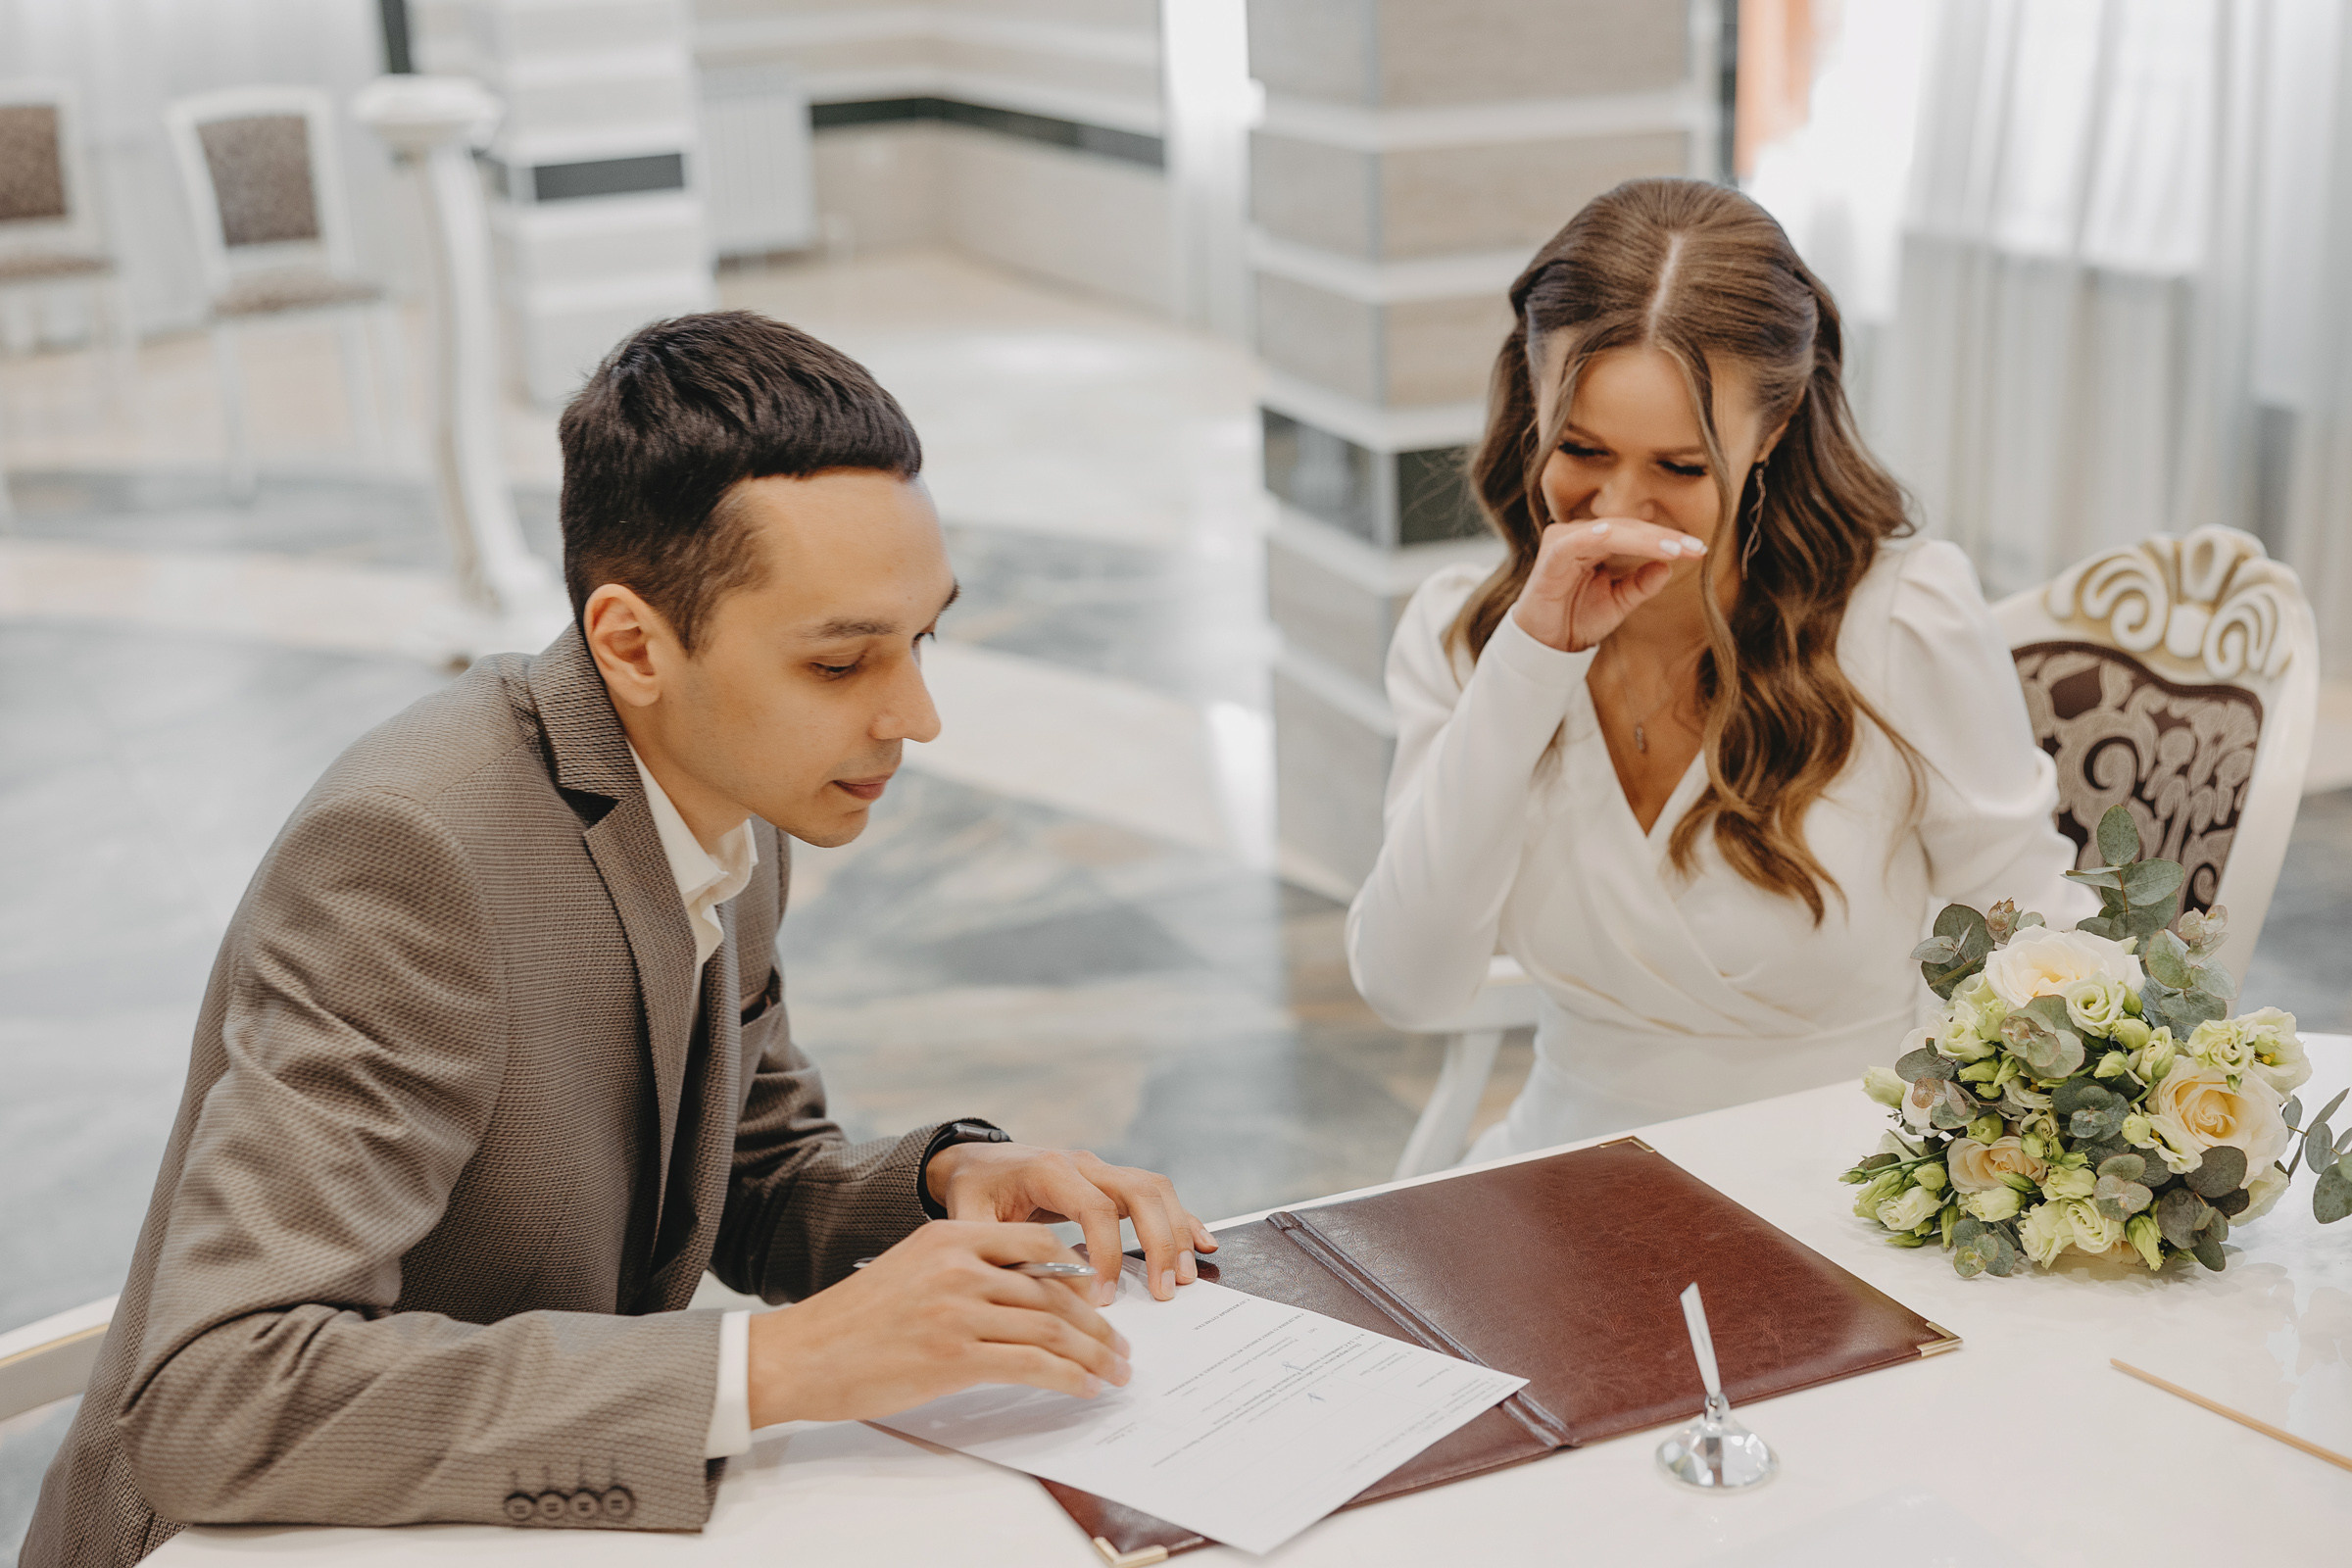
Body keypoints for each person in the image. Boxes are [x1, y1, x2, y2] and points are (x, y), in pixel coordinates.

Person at [26, 312, 1216, 1568]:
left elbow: (746, 1174)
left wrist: (938, 1186)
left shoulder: (742, 783)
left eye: (920, 639)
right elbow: (221, 1394)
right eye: (840, 664)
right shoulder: (409, 856)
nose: (913, 716)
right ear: (632, 644)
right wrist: (779, 1361)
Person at [1347, 179, 2089, 1157]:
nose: (1619, 505)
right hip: (1560, 1185)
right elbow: (1409, 984)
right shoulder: (1464, 636)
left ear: (1772, 432)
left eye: (1681, 468)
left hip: (1851, 1190)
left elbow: (2033, 950)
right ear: (1533, 408)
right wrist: (1531, 665)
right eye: (1580, 448)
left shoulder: (1902, 620)